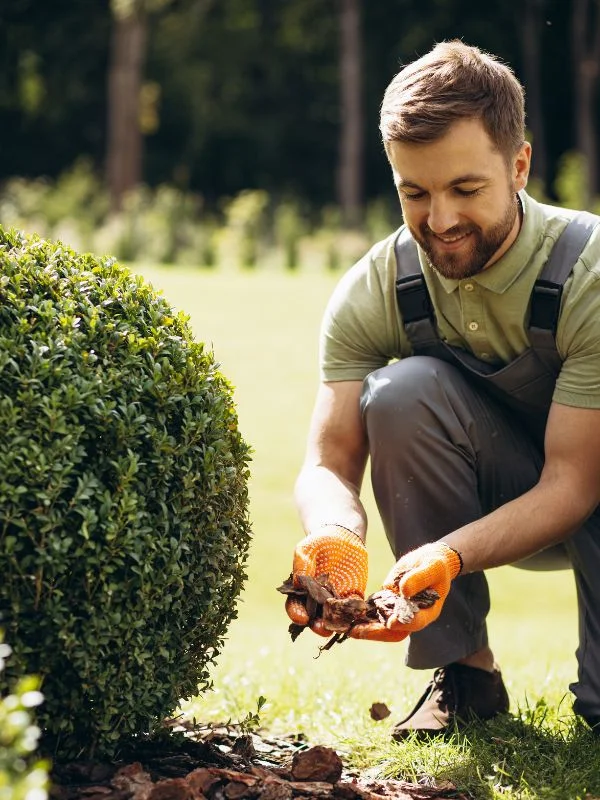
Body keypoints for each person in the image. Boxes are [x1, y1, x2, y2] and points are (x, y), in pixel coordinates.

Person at [284, 39, 600, 740]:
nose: (440, 220)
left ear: (519, 166)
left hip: (587, 486)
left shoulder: (591, 276)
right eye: (414, 193)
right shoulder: (377, 287)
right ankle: (467, 677)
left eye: (466, 190)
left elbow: (576, 485)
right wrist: (335, 536)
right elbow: (328, 461)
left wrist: (447, 555)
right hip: (509, 490)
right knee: (400, 392)